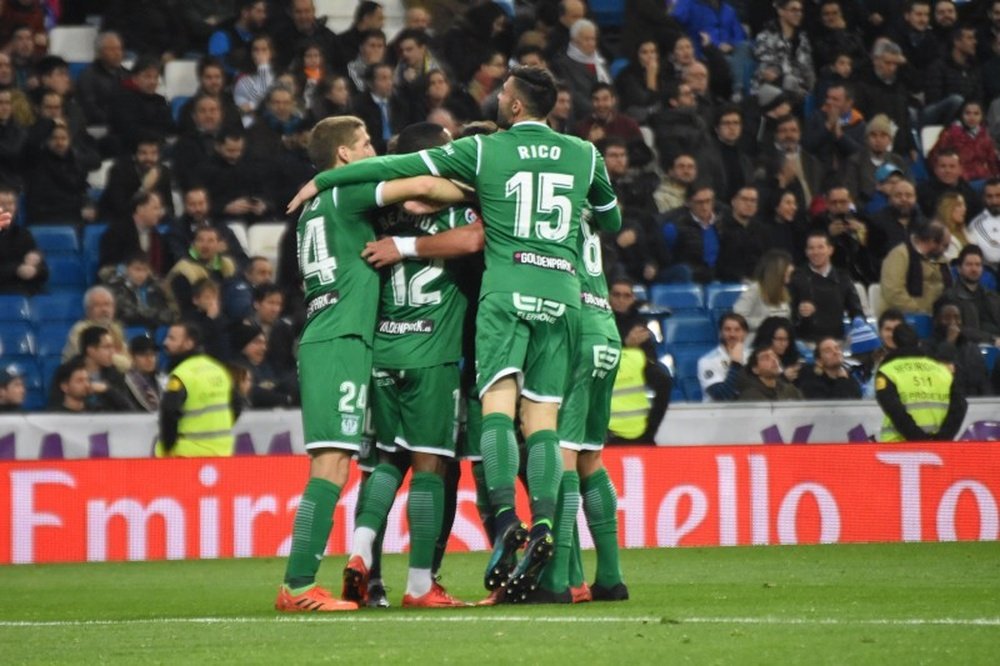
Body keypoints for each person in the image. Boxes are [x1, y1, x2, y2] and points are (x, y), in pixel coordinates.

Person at [286, 67, 621, 601]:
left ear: (514, 106)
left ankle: (369, 559)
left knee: (384, 461)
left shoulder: (374, 212)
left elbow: (417, 179)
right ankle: (523, 564)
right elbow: (609, 217)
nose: (374, 147)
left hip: (378, 344)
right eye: (365, 142)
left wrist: (329, 184)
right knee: (526, 442)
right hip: (521, 319)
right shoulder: (580, 155)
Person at [276, 115, 470, 612]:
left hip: (340, 337)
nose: (373, 152)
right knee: (331, 466)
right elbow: (426, 183)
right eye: (364, 145)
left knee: (344, 463)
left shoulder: (320, 206)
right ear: (344, 155)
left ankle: (308, 580)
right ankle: (297, 586)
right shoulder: (346, 194)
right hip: (340, 339)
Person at [155, 321, 242, 457]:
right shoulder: (218, 370)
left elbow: (169, 412)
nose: (166, 343)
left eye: (172, 339)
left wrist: (168, 447)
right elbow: (237, 404)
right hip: (221, 452)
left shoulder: (182, 374)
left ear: (189, 343)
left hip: (187, 454)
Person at [875, 322, 967, 441]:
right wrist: (942, 438)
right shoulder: (941, 370)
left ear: (894, 342)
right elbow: (959, 405)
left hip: (897, 449)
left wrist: (920, 440)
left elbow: (895, 410)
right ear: (919, 342)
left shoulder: (887, 371)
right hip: (938, 450)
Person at [608, 279, 672, 443]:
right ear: (608, 296)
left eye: (626, 296)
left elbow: (650, 353)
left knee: (664, 379)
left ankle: (649, 432)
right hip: (607, 365)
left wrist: (646, 360)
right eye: (616, 295)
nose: (621, 300)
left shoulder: (639, 319)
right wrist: (626, 344)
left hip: (636, 366)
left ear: (633, 298)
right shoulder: (601, 318)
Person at [789, 230, 865, 342]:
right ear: (806, 252)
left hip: (837, 340)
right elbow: (789, 314)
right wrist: (799, 314)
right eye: (811, 248)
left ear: (830, 250)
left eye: (820, 247)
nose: (816, 252)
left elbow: (856, 310)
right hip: (806, 340)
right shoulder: (797, 278)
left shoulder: (843, 278)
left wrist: (858, 321)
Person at [880, 220, 953, 315]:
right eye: (945, 246)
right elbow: (893, 293)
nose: (945, 251)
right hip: (907, 317)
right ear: (932, 241)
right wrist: (919, 312)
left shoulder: (941, 260)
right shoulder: (900, 255)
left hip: (938, 317)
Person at [925, 297, 992, 396]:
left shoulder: (972, 349)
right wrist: (949, 343)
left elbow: (984, 384)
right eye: (947, 318)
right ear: (936, 321)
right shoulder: (926, 348)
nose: (953, 322)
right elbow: (935, 379)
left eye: (957, 317)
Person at [62, 286, 131, 372]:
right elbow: (89, 358)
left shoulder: (115, 328)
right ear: (88, 310)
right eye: (98, 305)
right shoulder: (80, 330)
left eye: (107, 304)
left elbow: (128, 360)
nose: (104, 309)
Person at [943, 245, 1000, 345]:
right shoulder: (949, 297)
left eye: (978, 265)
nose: (974, 269)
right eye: (969, 264)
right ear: (959, 269)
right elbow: (957, 329)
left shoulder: (992, 297)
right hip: (967, 350)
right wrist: (992, 339)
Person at [106, 252, 175, 331]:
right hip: (127, 330)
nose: (141, 275)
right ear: (127, 269)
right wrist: (152, 316)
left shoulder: (155, 287)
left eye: (145, 270)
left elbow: (167, 313)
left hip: (154, 330)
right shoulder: (116, 287)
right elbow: (127, 315)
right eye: (137, 269)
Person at [733, 249, 794, 337]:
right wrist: (767, 323)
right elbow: (737, 320)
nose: (792, 268)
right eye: (788, 265)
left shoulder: (784, 290)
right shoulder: (755, 289)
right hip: (756, 341)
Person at [0, 186, 48, 294]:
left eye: (11, 203)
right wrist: (16, 270)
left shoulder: (24, 234)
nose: (8, 208)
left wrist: (35, 270)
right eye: (2, 204)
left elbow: (44, 272)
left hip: (24, 292)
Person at [76, 325, 134, 412]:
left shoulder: (115, 374)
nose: (112, 352)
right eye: (107, 347)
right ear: (91, 350)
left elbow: (129, 408)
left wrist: (107, 390)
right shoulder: (68, 373)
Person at [698, 312, 749, 401]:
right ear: (720, 333)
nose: (732, 334)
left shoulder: (754, 356)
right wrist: (736, 364)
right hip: (717, 412)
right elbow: (722, 396)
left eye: (737, 330)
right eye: (727, 329)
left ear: (745, 333)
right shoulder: (707, 361)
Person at [797, 336, 863, 399]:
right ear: (819, 361)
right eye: (828, 351)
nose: (835, 352)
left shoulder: (850, 378)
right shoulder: (812, 383)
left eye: (837, 348)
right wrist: (842, 380)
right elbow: (831, 407)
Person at [739, 347, 803, 401]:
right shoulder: (750, 396)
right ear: (755, 369)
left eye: (775, 356)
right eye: (766, 358)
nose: (773, 360)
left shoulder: (789, 389)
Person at [124, 334, 163, 412]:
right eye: (143, 355)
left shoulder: (162, 380)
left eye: (152, 354)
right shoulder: (125, 382)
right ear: (132, 357)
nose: (149, 359)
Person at [967, 179, 1000, 268]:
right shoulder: (976, 225)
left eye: (998, 196)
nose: (994, 201)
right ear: (983, 198)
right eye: (990, 196)